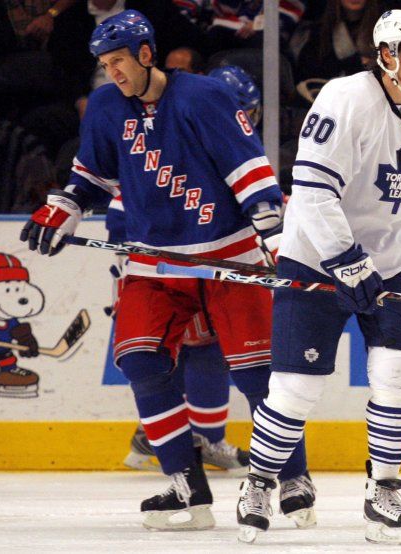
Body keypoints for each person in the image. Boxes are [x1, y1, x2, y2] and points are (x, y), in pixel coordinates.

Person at [20, 9, 310, 531]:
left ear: (147, 53)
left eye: (119, 62)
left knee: (255, 375)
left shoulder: (205, 96)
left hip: (227, 256)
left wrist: (273, 231)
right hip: (153, 261)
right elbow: (91, 178)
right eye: (105, 64)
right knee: (139, 361)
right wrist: (63, 208)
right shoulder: (107, 106)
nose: (113, 73)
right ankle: (186, 487)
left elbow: (249, 171)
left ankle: (293, 477)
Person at [236, 8, 401, 545]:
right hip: (316, 256)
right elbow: (311, 191)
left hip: (395, 261)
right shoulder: (343, 98)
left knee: (400, 371)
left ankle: (384, 490)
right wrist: (347, 259)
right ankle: (259, 482)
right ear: (385, 55)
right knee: (297, 387)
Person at [119, 63, 263, 474]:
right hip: (167, 268)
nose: (243, 123)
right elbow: (127, 200)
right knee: (193, 349)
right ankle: (196, 441)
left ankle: (180, 437)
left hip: (204, 264)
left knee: (199, 350)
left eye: (248, 114)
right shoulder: (171, 139)